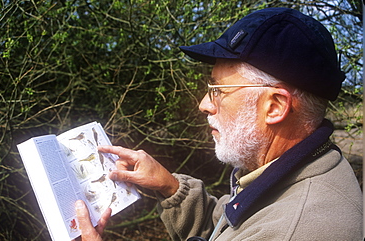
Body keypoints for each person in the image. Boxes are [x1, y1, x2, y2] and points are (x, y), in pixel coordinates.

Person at [74, 7, 363, 241]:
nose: (204, 104)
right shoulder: (291, 173)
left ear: (274, 107)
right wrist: (172, 188)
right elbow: (227, 229)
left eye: (218, 90)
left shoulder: (294, 230)